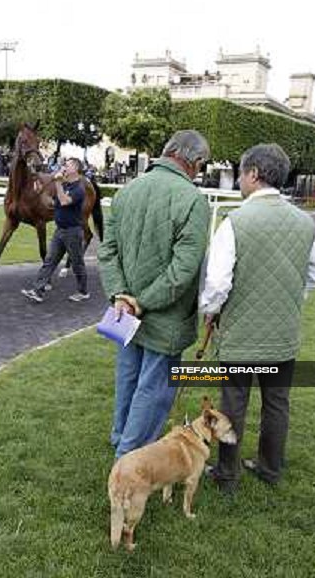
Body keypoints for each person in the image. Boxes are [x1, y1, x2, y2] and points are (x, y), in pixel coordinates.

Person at [199, 143, 315, 494]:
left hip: (241, 336)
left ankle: (227, 474)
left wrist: (210, 312)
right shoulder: (304, 222)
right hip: (283, 335)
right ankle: (270, 468)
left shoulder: (235, 221)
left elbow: (218, 283)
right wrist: (287, 298)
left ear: (253, 174)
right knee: (276, 403)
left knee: (234, 404)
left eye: (241, 173)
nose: (240, 180)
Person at [98, 130, 211, 459]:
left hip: (127, 312)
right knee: (153, 389)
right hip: (164, 315)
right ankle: (130, 456)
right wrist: (138, 302)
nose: (200, 170)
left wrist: (122, 297)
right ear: (195, 160)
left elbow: (107, 253)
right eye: (201, 165)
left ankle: (121, 438)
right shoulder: (192, 199)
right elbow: (183, 271)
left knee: (129, 377)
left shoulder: (126, 191)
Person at [21, 158, 90, 303]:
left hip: (73, 232)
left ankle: (83, 291)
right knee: (49, 261)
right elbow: (57, 203)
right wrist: (44, 197)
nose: (64, 166)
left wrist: (57, 182)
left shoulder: (79, 188)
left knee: (77, 263)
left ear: (76, 169)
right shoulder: (65, 185)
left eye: (68, 165)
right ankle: (37, 291)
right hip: (60, 231)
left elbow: (65, 201)